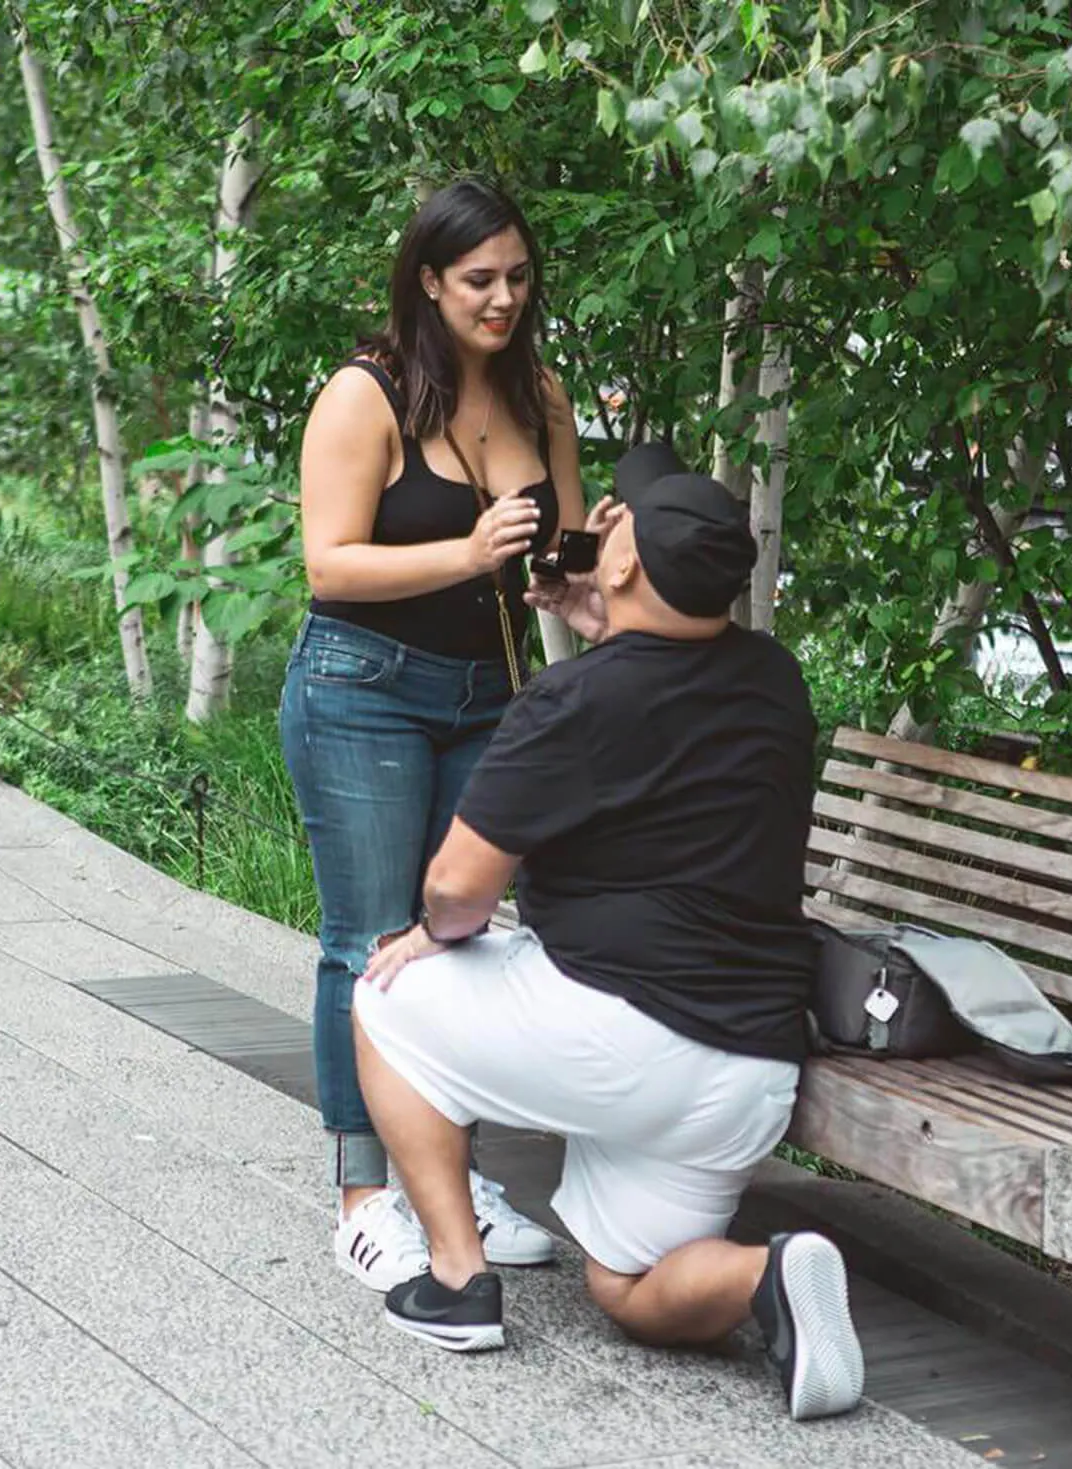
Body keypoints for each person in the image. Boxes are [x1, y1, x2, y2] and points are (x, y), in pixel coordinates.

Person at [350, 444, 865, 1422]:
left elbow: (459, 884)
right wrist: (608, 624)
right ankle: (773, 1274)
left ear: (623, 561)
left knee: (384, 994)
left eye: (617, 518)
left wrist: (431, 933)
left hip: (618, 1037)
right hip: (746, 1067)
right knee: (627, 1285)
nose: (602, 522)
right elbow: (670, 686)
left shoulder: (574, 699)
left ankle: (458, 1279)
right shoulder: (773, 678)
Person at [280, 178, 584, 1292]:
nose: (502, 298)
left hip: (490, 694)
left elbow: (565, 538)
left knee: (456, 935)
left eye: (517, 276)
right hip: (365, 685)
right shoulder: (366, 396)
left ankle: (448, 1177)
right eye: (478, 280)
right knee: (367, 938)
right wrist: (467, 553)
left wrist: (574, 577)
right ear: (428, 280)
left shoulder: (537, 393)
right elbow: (328, 562)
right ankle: (366, 1196)